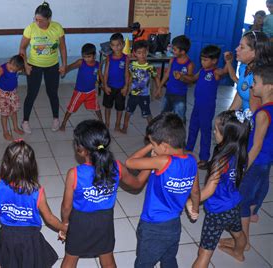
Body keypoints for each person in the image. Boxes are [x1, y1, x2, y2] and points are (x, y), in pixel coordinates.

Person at [60, 120, 150, 267]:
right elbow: (138, 183)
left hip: (79, 222)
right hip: (104, 221)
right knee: (107, 258)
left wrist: (65, 223)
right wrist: (151, 163)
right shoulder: (117, 168)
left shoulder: (75, 174)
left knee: (70, 258)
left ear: (81, 149)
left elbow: (66, 206)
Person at [126, 112, 200, 267]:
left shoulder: (163, 161)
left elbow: (130, 162)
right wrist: (194, 207)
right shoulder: (192, 160)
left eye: (153, 143)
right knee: (169, 259)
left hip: (153, 225)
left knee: (143, 263)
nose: (152, 146)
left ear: (165, 147)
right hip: (174, 225)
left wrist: (149, 147)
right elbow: (195, 191)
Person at [0, 139, 65, 268]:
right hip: (30, 238)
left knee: (0, 261)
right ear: (32, 166)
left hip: (6, 235)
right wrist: (65, 228)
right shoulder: (37, 191)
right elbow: (49, 218)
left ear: (5, 164)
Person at [220, 65, 273, 251]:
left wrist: (242, 168)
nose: (252, 87)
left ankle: (242, 245)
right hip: (265, 163)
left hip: (255, 162)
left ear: (269, 86)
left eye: (255, 83)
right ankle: (241, 241)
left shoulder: (263, 113)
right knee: (249, 202)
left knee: (241, 204)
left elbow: (257, 145)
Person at [186, 111, 249, 268]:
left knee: (204, 252)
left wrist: (190, 200)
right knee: (238, 232)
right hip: (234, 204)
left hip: (218, 210)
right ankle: (239, 253)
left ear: (227, 135)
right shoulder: (241, 151)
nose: (214, 132)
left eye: (216, 129)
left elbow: (208, 191)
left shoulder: (220, 161)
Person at [19, 1, 67, 133]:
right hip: (34, 66)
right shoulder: (30, 28)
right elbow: (22, 48)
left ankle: (56, 119)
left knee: (52, 93)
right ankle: (25, 121)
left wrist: (64, 65)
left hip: (52, 66)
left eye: (41, 20)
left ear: (49, 19)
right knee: (31, 94)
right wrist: (26, 65)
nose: (38, 23)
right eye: (36, 19)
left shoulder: (57, 27)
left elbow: (62, 48)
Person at [177, 45, 228, 167]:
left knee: (205, 131)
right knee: (193, 127)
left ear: (214, 61)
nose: (202, 62)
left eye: (205, 60)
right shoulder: (201, 71)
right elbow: (192, 79)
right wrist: (182, 77)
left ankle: (204, 158)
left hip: (207, 107)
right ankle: (188, 149)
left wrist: (228, 61)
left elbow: (225, 71)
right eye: (201, 59)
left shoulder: (215, 72)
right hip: (197, 105)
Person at [224, 31, 271, 113]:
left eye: (241, 47)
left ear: (255, 52)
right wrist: (227, 115)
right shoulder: (244, 67)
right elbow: (241, 92)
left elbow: (257, 114)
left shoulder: (259, 77)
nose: (236, 49)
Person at [59, 43, 103, 131]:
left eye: (89, 56)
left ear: (94, 55)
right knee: (71, 108)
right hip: (79, 92)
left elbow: (100, 75)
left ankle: (102, 122)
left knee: (97, 107)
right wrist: (64, 70)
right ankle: (63, 123)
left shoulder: (97, 64)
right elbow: (70, 67)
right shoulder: (81, 62)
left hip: (91, 91)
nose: (86, 59)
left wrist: (103, 84)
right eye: (84, 56)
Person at [122, 40, 160, 132]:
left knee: (147, 113)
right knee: (128, 112)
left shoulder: (150, 67)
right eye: (139, 53)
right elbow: (130, 77)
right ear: (134, 53)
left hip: (144, 95)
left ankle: (152, 131)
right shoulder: (132, 66)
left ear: (147, 52)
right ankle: (125, 127)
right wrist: (126, 87)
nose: (142, 55)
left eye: (144, 52)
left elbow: (156, 78)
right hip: (133, 94)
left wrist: (158, 89)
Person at [156, 35, 194, 123]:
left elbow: (191, 81)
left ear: (183, 52)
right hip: (168, 92)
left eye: (175, 49)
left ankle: (180, 134)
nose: (173, 50)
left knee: (180, 118)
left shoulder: (189, 64)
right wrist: (159, 87)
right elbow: (167, 74)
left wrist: (182, 77)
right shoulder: (172, 60)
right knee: (164, 115)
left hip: (180, 96)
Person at [0, 54, 25, 141]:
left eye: (15, 69)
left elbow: (26, 71)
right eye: (11, 66)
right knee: (4, 114)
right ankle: (5, 132)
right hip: (2, 94)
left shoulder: (18, 69)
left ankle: (15, 127)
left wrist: (25, 64)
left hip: (13, 92)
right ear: (10, 61)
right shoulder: (1, 68)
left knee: (14, 111)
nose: (12, 69)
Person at [102, 33, 129, 132]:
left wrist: (126, 87)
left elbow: (127, 74)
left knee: (120, 108)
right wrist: (105, 85)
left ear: (122, 45)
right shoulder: (109, 57)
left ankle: (117, 124)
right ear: (110, 45)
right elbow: (106, 73)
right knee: (107, 107)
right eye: (113, 45)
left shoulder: (126, 58)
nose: (116, 48)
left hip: (121, 88)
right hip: (109, 86)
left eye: (118, 45)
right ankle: (107, 123)